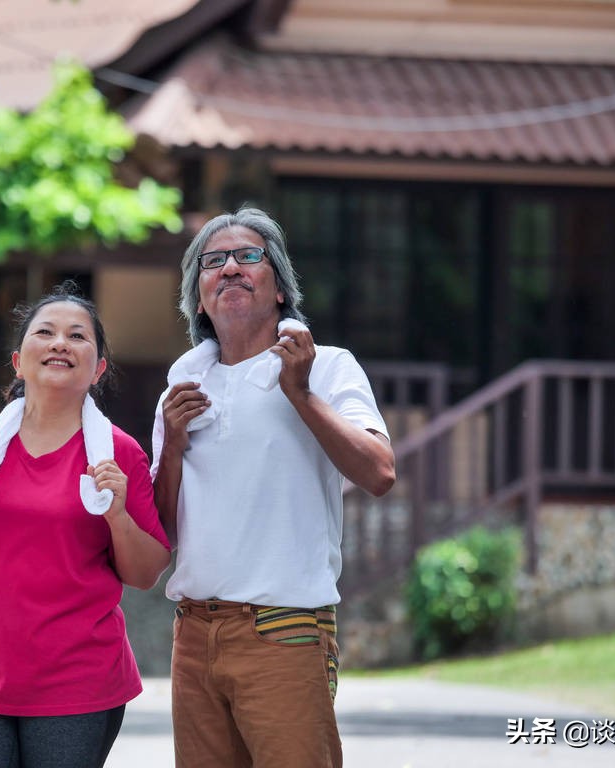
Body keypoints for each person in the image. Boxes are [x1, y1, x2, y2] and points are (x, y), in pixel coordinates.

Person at [151, 207, 396, 768]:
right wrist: (172, 445)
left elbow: (380, 474)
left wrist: (301, 393)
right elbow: (161, 533)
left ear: (281, 288)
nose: (230, 268)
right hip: (193, 633)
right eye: (213, 262)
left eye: (248, 256)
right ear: (199, 299)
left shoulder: (327, 367)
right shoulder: (180, 389)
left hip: (284, 630)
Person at [0, 281, 172, 768]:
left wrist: (116, 515)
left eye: (77, 336)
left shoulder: (119, 454)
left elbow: (145, 572)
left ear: (98, 369)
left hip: (77, 683)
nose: (60, 343)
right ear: (18, 361)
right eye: (46, 332)